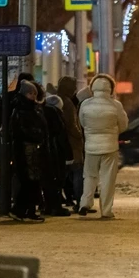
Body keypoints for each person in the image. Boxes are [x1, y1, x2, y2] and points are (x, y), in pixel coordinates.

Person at [78, 74, 128, 219]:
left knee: (89, 176)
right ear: (110, 88)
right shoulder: (116, 105)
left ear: (92, 87)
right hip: (110, 147)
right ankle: (106, 211)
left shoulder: (85, 104)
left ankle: (85, 203)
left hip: (90, 147)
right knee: (107, 179)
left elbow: (82, 123)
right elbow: (123, 125)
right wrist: (113, 132)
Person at [11, 81, 47, 222]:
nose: (32, 96)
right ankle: (25, 211)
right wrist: (37, 135)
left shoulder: (31, 109)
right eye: (30, 93)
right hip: (27, 150)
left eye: (34, 93)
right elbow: (21, 131)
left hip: (31, 150)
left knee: (31, 182)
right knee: (30, 182)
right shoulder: (22, 110)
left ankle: (24, 210)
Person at [42, 95, 73, 216]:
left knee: (48, 181)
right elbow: (62, 137)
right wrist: (69, 155)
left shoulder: (42, 112)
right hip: (56, 153)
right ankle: (55, 206)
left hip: (46, 151)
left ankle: (49, 206)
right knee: (57, 179)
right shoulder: (56, 115)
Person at [57, 77, 85, 209]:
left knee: (62, 175)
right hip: (73, 145)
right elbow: (72, 125)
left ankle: (63, 199)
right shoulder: (68, 103)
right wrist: (80, 135)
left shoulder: (57, 99)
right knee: (77, 173)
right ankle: (80, 202)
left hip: (60, 144)